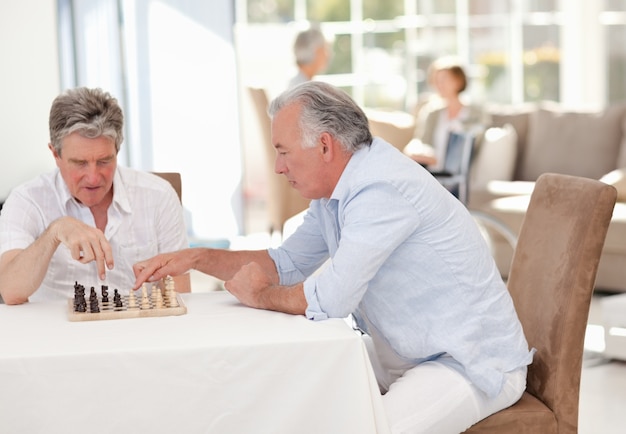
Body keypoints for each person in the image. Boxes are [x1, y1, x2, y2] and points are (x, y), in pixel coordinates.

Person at [133, 81, 533, 434]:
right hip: (406, 349)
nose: (277, 167)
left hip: (468, 363)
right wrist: (197, 258)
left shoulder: (381, 188)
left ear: (324, 145)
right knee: (287, 389)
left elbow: (332, 297)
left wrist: (262, 296)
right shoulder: (336, 190)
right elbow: (286, 263)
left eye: (283, 152)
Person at [0, 87, 190, 304]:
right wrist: (55, 232)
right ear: (55, 154)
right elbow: (10, 291)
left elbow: (180, 298)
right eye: (79, 163)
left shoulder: (159, 196)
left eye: (104, 161)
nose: (93, 177)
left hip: (139, 332)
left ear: (117, 151)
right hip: (57, 335)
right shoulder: (26, 201)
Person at [404, 56, 491, 170]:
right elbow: (421, 140)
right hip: (432, 169)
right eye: (436, 80)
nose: (439, 84)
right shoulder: (431, 112)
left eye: (444, 79)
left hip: (460, 169)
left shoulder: (476, 112)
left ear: (458, 80)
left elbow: (475, 142)